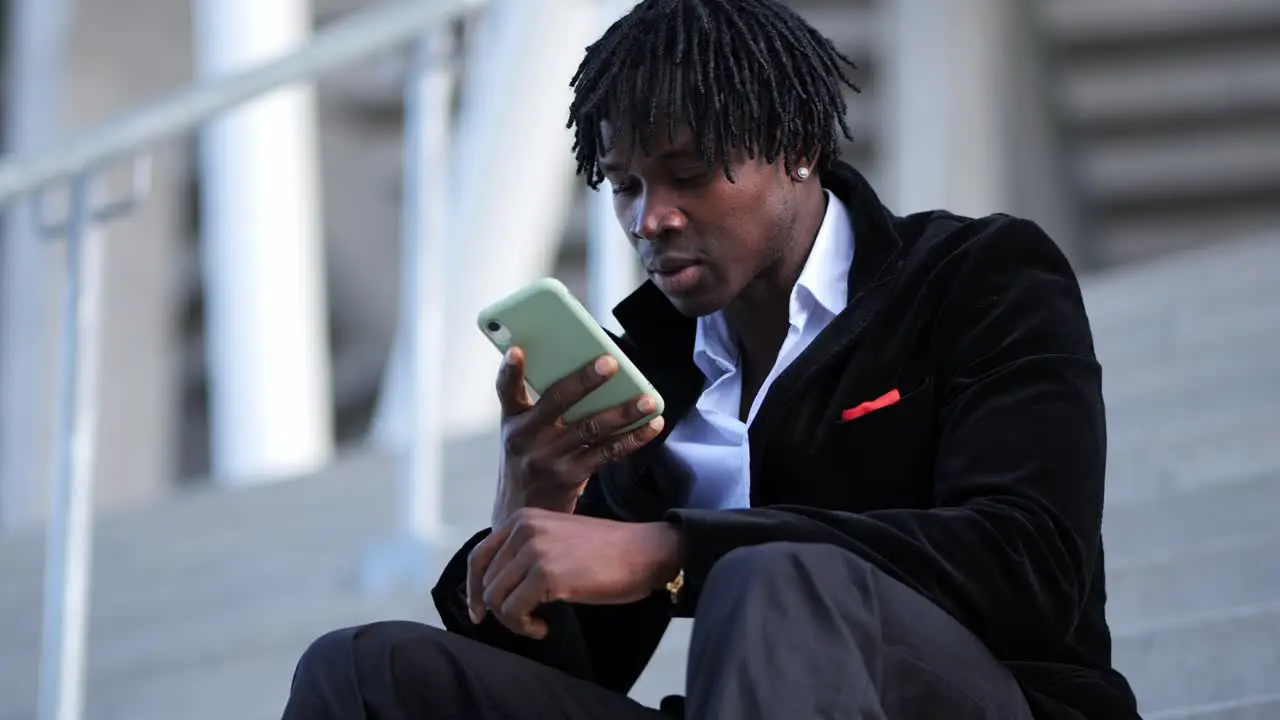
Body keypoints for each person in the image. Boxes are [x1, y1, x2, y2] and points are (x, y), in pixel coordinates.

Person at [282, 0, 1140, 717]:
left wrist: (674, 551)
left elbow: (1030, 562)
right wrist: (532, 513)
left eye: (687, 172)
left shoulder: (975, 278)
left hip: (998, 703)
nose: (649, 218)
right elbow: (577, 677)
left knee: (774, 583)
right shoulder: (649, 371)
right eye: (624, 185)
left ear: (798, 147)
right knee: (361, 674)